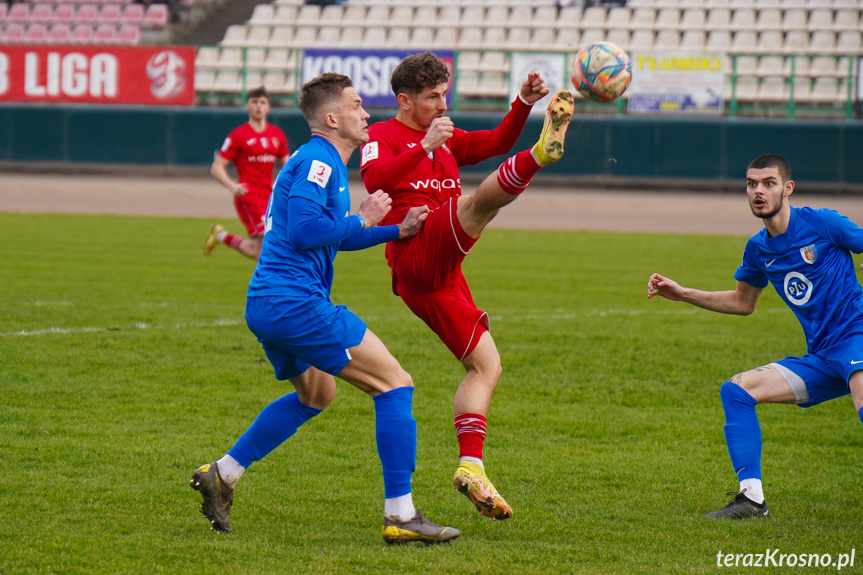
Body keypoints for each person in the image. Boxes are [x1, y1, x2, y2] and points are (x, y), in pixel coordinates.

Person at [191, 72, 460, 545]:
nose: (366, 114)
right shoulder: (320, 161)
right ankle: (401, 514)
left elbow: (328, 235)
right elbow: (305, 233)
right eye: (357, 106)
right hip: (296, 303)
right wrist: (363, 216)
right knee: (395, 383)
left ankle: (223, 473)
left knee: (317, 395)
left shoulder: (320, 160)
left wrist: (394, 231)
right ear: (332, 118)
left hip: (271, 303)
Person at [359, 51, 574, 521]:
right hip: (413, 251)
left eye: (444, 94)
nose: (441, 104)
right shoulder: (382, 134)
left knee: (487, 365)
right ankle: (540, 155)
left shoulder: (446, 137)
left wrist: (522, 101)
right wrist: (423, 147)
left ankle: (471, 467)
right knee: (475, 206)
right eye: (432, 97)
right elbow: (373, 177)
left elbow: (494, 141)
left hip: (445, 276)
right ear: (404, 100)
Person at [647, 153, 863, 519]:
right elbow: (742, 302)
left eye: (768, 183)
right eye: (751, 184)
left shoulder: (823, 223)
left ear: (788, 188)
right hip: (824, 355)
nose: (758, 191)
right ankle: (751, 500)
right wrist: (682, 293)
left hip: (857, 335)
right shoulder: (758, 249)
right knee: (737, 390)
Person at [205, 86, 290, 262]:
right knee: (265, 250)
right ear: (247, 106)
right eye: (254, 102)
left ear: (268, 107)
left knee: (258, 252)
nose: (258, 106)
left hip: (270, 196)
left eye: (262, 102)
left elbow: (288, 166)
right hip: (248, 196)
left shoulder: (277, 135)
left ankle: (221, 236)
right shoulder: (238, 135)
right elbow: (217, 166)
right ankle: (268, 287)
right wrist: (232, 186)